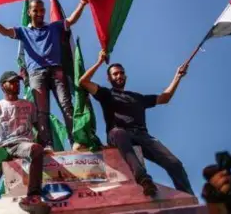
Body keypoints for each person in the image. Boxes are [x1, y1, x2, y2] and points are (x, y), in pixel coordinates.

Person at [78, 50, 194, 197]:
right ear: (109, 78)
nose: (119, 76)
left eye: (121, 73)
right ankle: (144, 179)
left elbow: (165, 98)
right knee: (119, 132)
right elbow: (83, 81)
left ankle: (188, 197)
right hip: (118, 134)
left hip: (142, 136)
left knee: (175, 164)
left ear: (125, 76)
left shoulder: (138, 97)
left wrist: (178, 76)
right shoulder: (106, 94)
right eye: (115, 74)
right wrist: (99, 61)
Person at [0, 0, 89, 151]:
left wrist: (82, 3)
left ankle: (75, 141)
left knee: (66, 105)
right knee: (41, 111)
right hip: (36, 74)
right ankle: (48, 144)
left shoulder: (54, 27)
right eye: (36, 10)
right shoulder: (23, 31)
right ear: (29, 13)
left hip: (56, 71)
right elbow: (5, 31)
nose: (40, 13)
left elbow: (71, 20)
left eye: (42, 10)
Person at [0, 70, 50, 214]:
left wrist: (45, 144)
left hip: (22, 144)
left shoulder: (29, 105)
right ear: (3, 86)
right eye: (12, 82)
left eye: (17, 82)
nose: (16, 85)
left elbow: (39, 127)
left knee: (37, 149)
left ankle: (33, 197)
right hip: (4, 146)